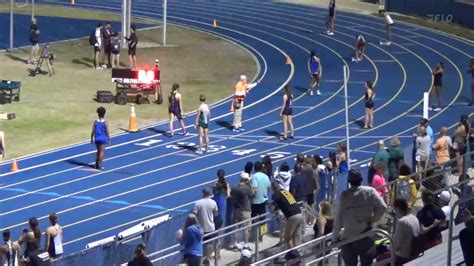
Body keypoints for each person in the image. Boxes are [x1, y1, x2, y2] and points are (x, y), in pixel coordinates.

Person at [332, 170, 387, 266]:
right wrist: (373, 219)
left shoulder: (344, 196)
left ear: (349, 181)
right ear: (361, 180)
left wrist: (334, 239)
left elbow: (338, 221)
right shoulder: (370, 191)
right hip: (366, 235)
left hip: (348, 238)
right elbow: (383, 206)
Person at [270, 182, 304, 249]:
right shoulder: (285, 192)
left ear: (272, 188)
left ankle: (292, 254)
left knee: (287, 238)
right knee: (294, 236)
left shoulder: (276, 194)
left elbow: (272, 209)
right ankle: (297, 252)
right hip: (299, 213)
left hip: (292, 216)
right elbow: (286, 203)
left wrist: (270, 207)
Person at [391, 199, 421, 264]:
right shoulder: (414, 217)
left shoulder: (402, 222)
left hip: (404, 256)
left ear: (398, 209)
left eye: (395, 209)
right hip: (415, 252)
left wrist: (387, 247)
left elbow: (396, 246)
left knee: (380, 257)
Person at [193, 187, 218, 265]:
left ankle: (200, 259)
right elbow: (216, 214)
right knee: (209, 244)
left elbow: (194, 215)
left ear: (203, 193)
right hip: (210, 227)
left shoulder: (198, 203)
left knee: (199, 244)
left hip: (200, 228)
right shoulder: (213, 202)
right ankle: (207, 259)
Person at [230, 172, 255, 250]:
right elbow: (253, 193)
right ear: (246, 180)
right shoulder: (247, 188)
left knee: (235, 229)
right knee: (246, 229)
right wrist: (250, 184)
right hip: (245, 211)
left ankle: (235, 244)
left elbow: (230, 195)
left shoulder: (234, 188)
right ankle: (246, 245)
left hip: (236, 210)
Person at [251, 161, 271, 241]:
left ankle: (253, 235)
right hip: (263, 200)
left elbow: (255, 189)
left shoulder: (254, 176)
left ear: (254, 168)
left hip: (255, 201)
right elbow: (269, 188)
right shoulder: (266, 176)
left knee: (252, 219)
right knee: (263, 219)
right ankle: (262, 235)